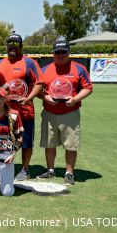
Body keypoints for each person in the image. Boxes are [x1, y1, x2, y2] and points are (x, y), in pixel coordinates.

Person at [37, 40, 93, 185]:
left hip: (70, 112)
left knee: (71, 145)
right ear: (53, 53)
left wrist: (75, 99)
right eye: (57, 52)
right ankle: (50, 170)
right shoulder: (44, 70)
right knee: (49, 144)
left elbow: (88, 87)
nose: (60, 55)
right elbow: (36, 89)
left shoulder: (79, 68)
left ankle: (69, 173)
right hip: (49, 112)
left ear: (69, 52)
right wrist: (45, 97)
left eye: (64, 52)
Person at [0, 33, 44, 181]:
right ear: (6, 46)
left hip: (25, 110)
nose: (12, 46)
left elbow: (40, 82)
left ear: (21, 46)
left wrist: (28, 98)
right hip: (5, 111)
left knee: (26, 141)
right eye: (10, 43)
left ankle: (25, 169)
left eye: (16, 44)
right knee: (2, 139)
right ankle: (1, 168)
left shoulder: (29, 62)